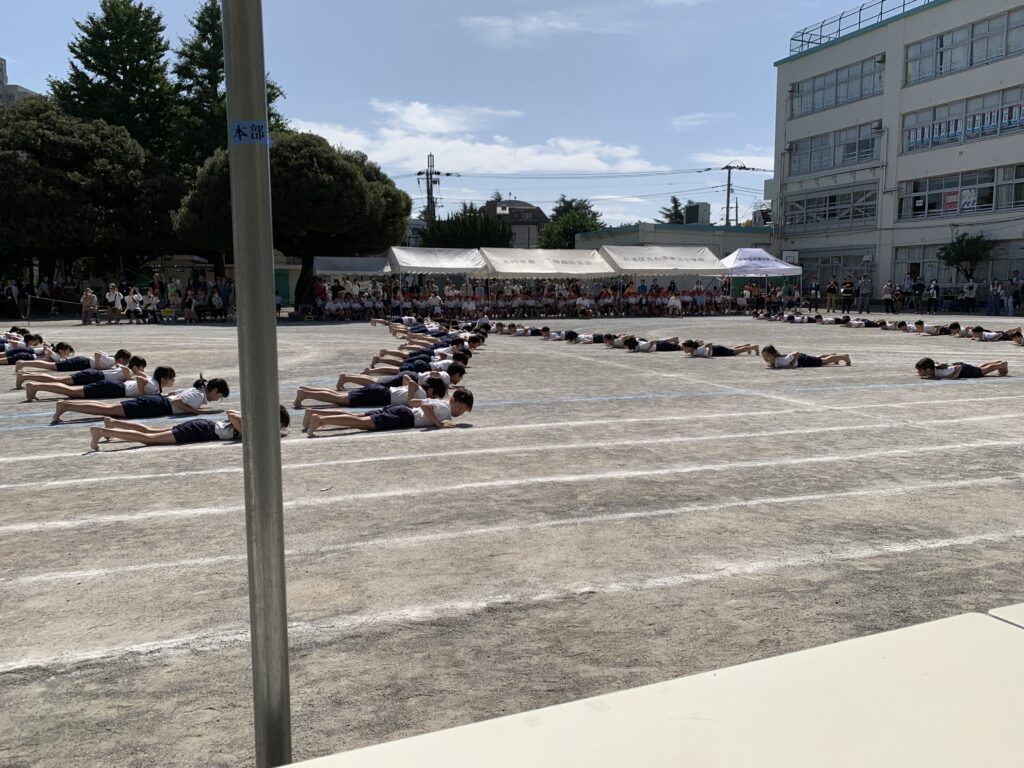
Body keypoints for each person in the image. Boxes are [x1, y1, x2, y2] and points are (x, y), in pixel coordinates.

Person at [88, 406, 290, 451]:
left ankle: (113, 423)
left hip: (201, 426)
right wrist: (246, 422)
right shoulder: (251, 429)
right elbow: (232, 414)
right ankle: (103, 431)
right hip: (200, 430)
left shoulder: (251, 426)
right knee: (149, 439)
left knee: (150, 432)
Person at [51, 376, 229, 424]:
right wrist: (195, 412)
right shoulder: (198, 396)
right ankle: (66, 405)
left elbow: (174, 393)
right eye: (219, 395)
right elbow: (175, 400)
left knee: (108, 408)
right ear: (214, 390)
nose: (217, 399)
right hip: (157, 405)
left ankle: (67, 405)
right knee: (107, 410)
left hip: (156, 403)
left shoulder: (197, 392)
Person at [307, 387, 474, 435]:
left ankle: (314, 414)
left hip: (402, 410)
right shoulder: (444, 407)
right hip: (405, 417)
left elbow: (417, 402)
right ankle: (321, 420)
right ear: (453, 400)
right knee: (361, 423)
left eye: (463, 412)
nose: (459, 413)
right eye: (459, 407)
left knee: (357, 417)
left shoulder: (441, 402)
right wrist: (438, 424)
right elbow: (425, 407)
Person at [294, 373, 446, 409]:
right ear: (431, 390)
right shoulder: (421, 393)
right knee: (339, 400)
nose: (433, 398)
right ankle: (305, 394)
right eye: (435, 395)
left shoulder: (420, 390)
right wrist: (410, 398)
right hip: (381, 395)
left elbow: (406, 378)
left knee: (339, 396)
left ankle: (306, 391)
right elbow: (411, 382)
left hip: (381, 391)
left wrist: (407, 392)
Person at [26, 366, 175, 402]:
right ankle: (35, 386)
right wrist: (141, 395)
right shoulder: (154, 385)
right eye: (171, 378)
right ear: (163, 378)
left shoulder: (155, 383)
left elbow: (140, 375)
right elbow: (140, 379)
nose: (173, 381)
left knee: (73, 391)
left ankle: (36, 386)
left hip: (114, 387)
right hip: (114, 388)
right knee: (72, 392)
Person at [761, 345, 851, 368]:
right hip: (801, 360)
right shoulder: (774, 361)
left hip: (802, 360)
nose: (765, 358)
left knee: (823, 361)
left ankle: (844, 357)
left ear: (773, 354)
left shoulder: (781, 360)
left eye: (767, 356)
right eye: (764, 356)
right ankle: (834, 356)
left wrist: (792, 365)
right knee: (818, 358)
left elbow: (795, 353)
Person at [914, 358, 1008, 379]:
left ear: (928, 370)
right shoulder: (933, 369)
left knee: (982, 371)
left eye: (919, 370)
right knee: (979, 368)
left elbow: (959, 367)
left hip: (964, 370)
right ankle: (997, 362)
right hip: (963, 368)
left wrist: (953, 377)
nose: (918, 372)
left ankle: (1001, 365)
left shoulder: (940, 372)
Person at [681, 340, 759, 357]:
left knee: (735, 352)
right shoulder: (693, 352)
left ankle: (754, 347)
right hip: (717, 349)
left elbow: (710, 344)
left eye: (685, 348)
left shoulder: (698, 350)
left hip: (717, 351)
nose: (683, 349)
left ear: (690, 347)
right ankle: (746, 345)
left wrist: (709, 354)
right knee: (732, 349)